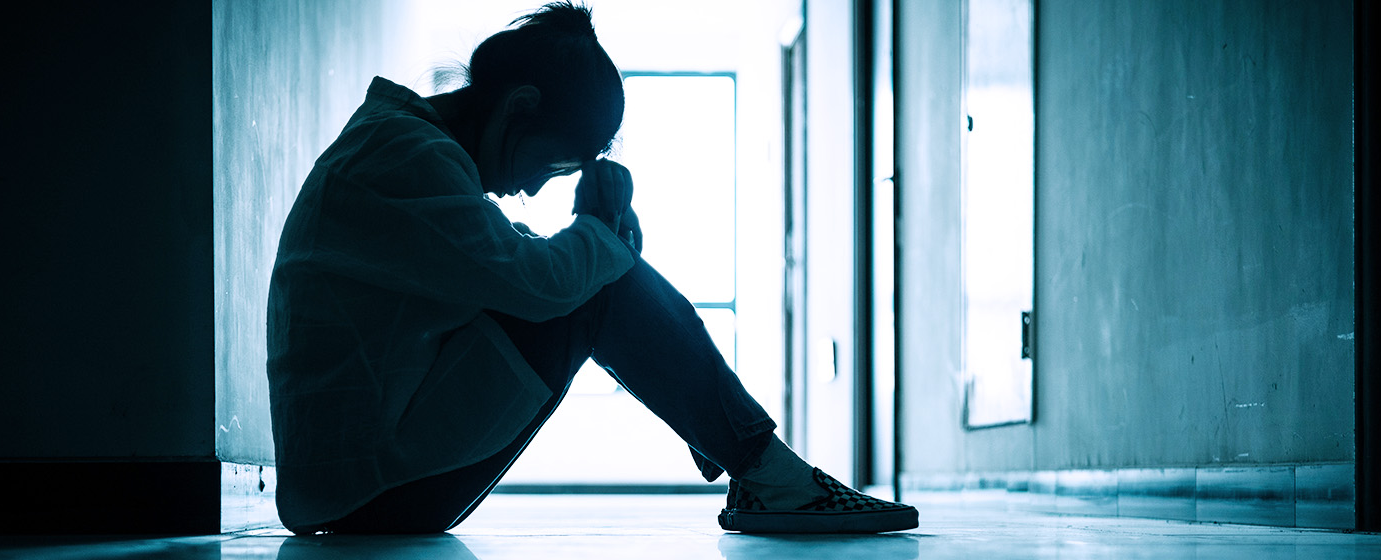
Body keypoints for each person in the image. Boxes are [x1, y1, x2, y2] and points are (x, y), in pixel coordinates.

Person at [265, 1, 916, 535]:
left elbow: (505, 268)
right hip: (368, 493)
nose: (536, 186)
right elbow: (539, 285)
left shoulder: (406, 149)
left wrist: (603, 246)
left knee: (595, 273)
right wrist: (603, 237)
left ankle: (755, 466)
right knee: (596, 287)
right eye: (554, 164)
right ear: (518, 107)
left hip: (360, 484)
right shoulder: (407, 159)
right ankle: (769, 475)